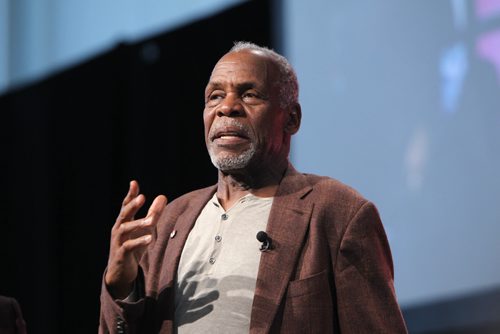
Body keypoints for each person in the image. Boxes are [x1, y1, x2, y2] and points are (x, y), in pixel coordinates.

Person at [99, 42, 408, 333]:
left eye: (249, 95)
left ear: (292, 118)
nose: (227, 108)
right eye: (215, 96)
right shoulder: (171, 220)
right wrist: (120, 286)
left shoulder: (337, 211)